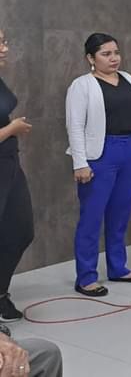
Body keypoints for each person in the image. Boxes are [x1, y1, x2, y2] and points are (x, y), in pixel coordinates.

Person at [65, 33, 131, 297]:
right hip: (100, 155)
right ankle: (86, 278)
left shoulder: (128, 79)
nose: (114, 58)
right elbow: (75, 126)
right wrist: (80, 163)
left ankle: (118, 268)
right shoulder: (81, 85)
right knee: (92, 217)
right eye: (106, 54)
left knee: (120, 214)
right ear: (90, 58)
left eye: (116, 52)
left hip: (129, 150)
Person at [0, 29, 34, 323]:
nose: (4, 48)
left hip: (9, 163)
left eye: (4, 41)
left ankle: (0, 293)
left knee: (21, 230)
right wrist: (12, 129)